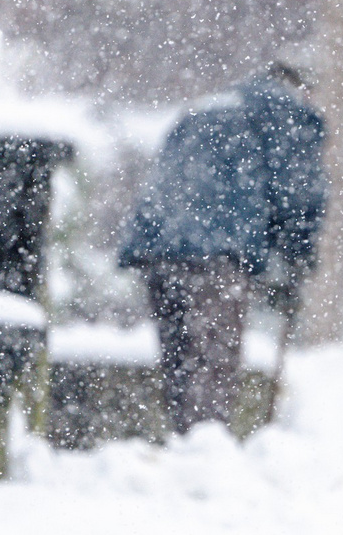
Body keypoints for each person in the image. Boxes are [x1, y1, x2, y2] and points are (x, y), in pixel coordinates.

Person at [118, 62, 326, 435]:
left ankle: (184, 441)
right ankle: (205, 451)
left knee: (179, 358)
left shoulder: (209, 105)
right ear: (299, 87)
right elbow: (298, 192)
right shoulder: (286, 110)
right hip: (215, 248)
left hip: (158, 242)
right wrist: (298, 256)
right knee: (213, 360)